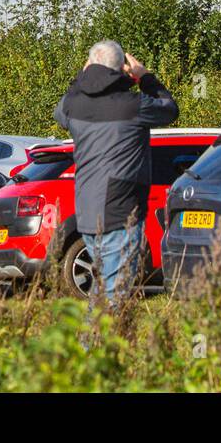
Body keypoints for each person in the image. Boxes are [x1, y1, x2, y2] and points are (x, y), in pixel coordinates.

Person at [53, 40, 178, 308]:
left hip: (87, 212)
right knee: (114, 294)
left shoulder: (74, 104)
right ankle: (101, 335)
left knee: (104, 290)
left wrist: (82, 77)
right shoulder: (133, 105)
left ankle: (96, 333)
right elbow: (169, 108)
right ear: (121, 69)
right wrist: (145, 77)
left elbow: (59, 111)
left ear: (90, 66)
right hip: (121, 211)